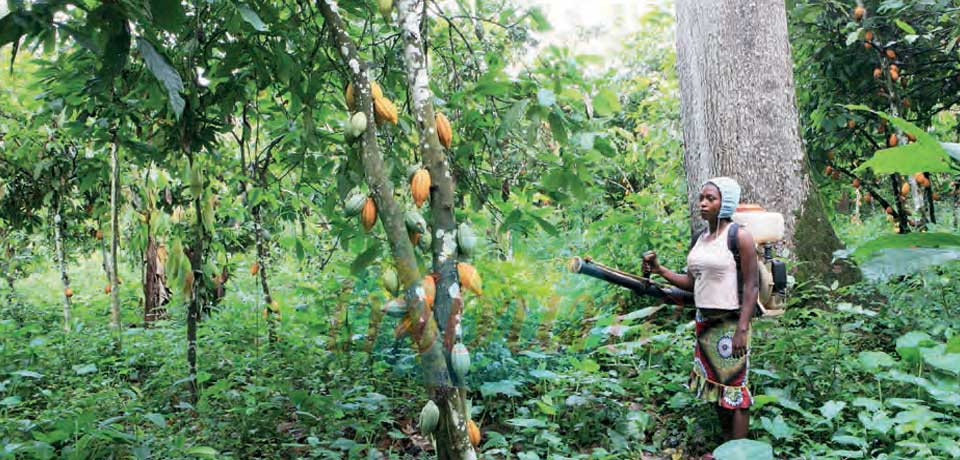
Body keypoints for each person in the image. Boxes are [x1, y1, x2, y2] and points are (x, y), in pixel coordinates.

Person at [642, 177, 759, 447]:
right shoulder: (700, 238)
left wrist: (742, 328)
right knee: (716, 389)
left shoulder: (739, 236)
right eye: (702, 198)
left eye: (711, 198)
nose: (703, 203)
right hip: (704, 323)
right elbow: (692, 283)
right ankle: (726, 446)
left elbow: (751, 285)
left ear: (725, 203)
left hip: (730, 324)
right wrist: (660, 270)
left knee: (735, 392)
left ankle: (738, 453)